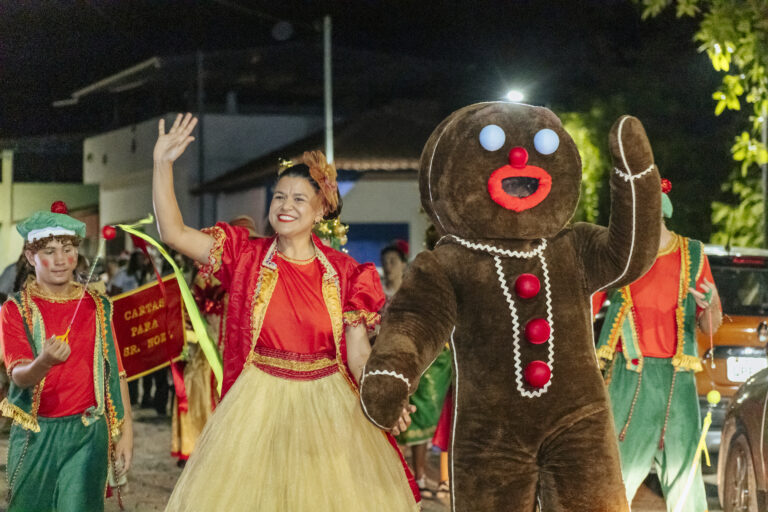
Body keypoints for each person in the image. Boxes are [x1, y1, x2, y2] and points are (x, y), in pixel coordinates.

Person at [154, 113, 420, 511]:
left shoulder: (348, 275)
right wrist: (162, 165)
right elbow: (173, 233)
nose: (285, 206)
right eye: (279, 196)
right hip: (256, 401)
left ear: (320, 211)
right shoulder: (243, 255)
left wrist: (383, 397)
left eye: (299, 199)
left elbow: (359, 355)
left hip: (328, 405)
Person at [595, 178, 722, 511]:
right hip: (627, 375)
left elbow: (713, 322)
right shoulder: (620, 256)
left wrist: (708, 304)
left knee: (685, 479)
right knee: (615, 475)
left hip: (675, 381)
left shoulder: (691, 253)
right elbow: (582, 308)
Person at [0, 202, 133, 512]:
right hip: (36, 434)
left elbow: (118, 373)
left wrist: (126, 432)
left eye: (67, 248)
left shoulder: (99, 306)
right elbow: (18, 375)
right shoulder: (16, 309)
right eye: (49, 250)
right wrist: (43, 361)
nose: (60, 259)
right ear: (31, 257)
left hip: (88, 433)